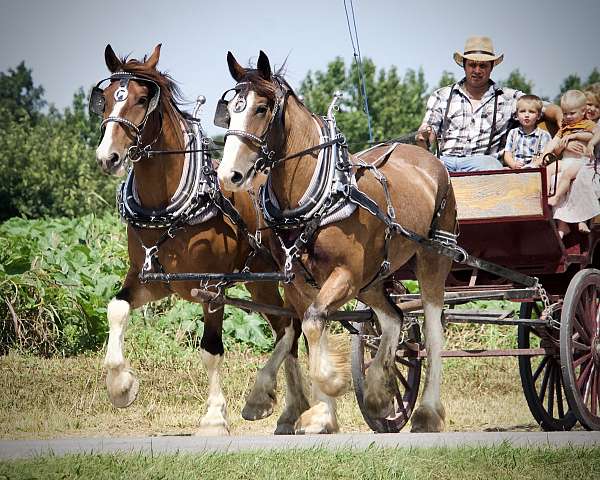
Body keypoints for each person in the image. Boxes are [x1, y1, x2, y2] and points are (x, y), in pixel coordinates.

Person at [416, 36, 562, 172]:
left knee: (491, 165)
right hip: (444, 162)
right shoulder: (441, 95)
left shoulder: (509, 98)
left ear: (491, 66)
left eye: (483, 66)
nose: (477, 71)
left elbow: (548, 108)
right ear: (464, 65)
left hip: (483, 164)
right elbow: (428, 134)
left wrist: (561, 119)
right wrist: (423, 136)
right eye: (472, 65)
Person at [545, 90, 599, 237]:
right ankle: (548, 194)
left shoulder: (587, 124)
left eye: (572, 113)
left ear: (583, 111)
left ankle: (556, 198)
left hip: (581, 161)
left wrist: (575, 135)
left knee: (567, 176)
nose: (568, 117)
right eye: (565, 113)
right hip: (566, 160)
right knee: (549, 169)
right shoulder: (564, 128)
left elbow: (594, 134)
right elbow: (556, 148)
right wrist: (560, 146)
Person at [503, 95, 552, 169]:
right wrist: (513, 164)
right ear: (517, 115)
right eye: (522, 111)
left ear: (538, 116)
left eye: (531, 112)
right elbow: (507, 155)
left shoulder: (544, 135)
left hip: (536, 171)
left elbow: (545, 156)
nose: (526, 115)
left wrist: (533, 165)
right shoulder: (513, 133)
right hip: (515, 170)